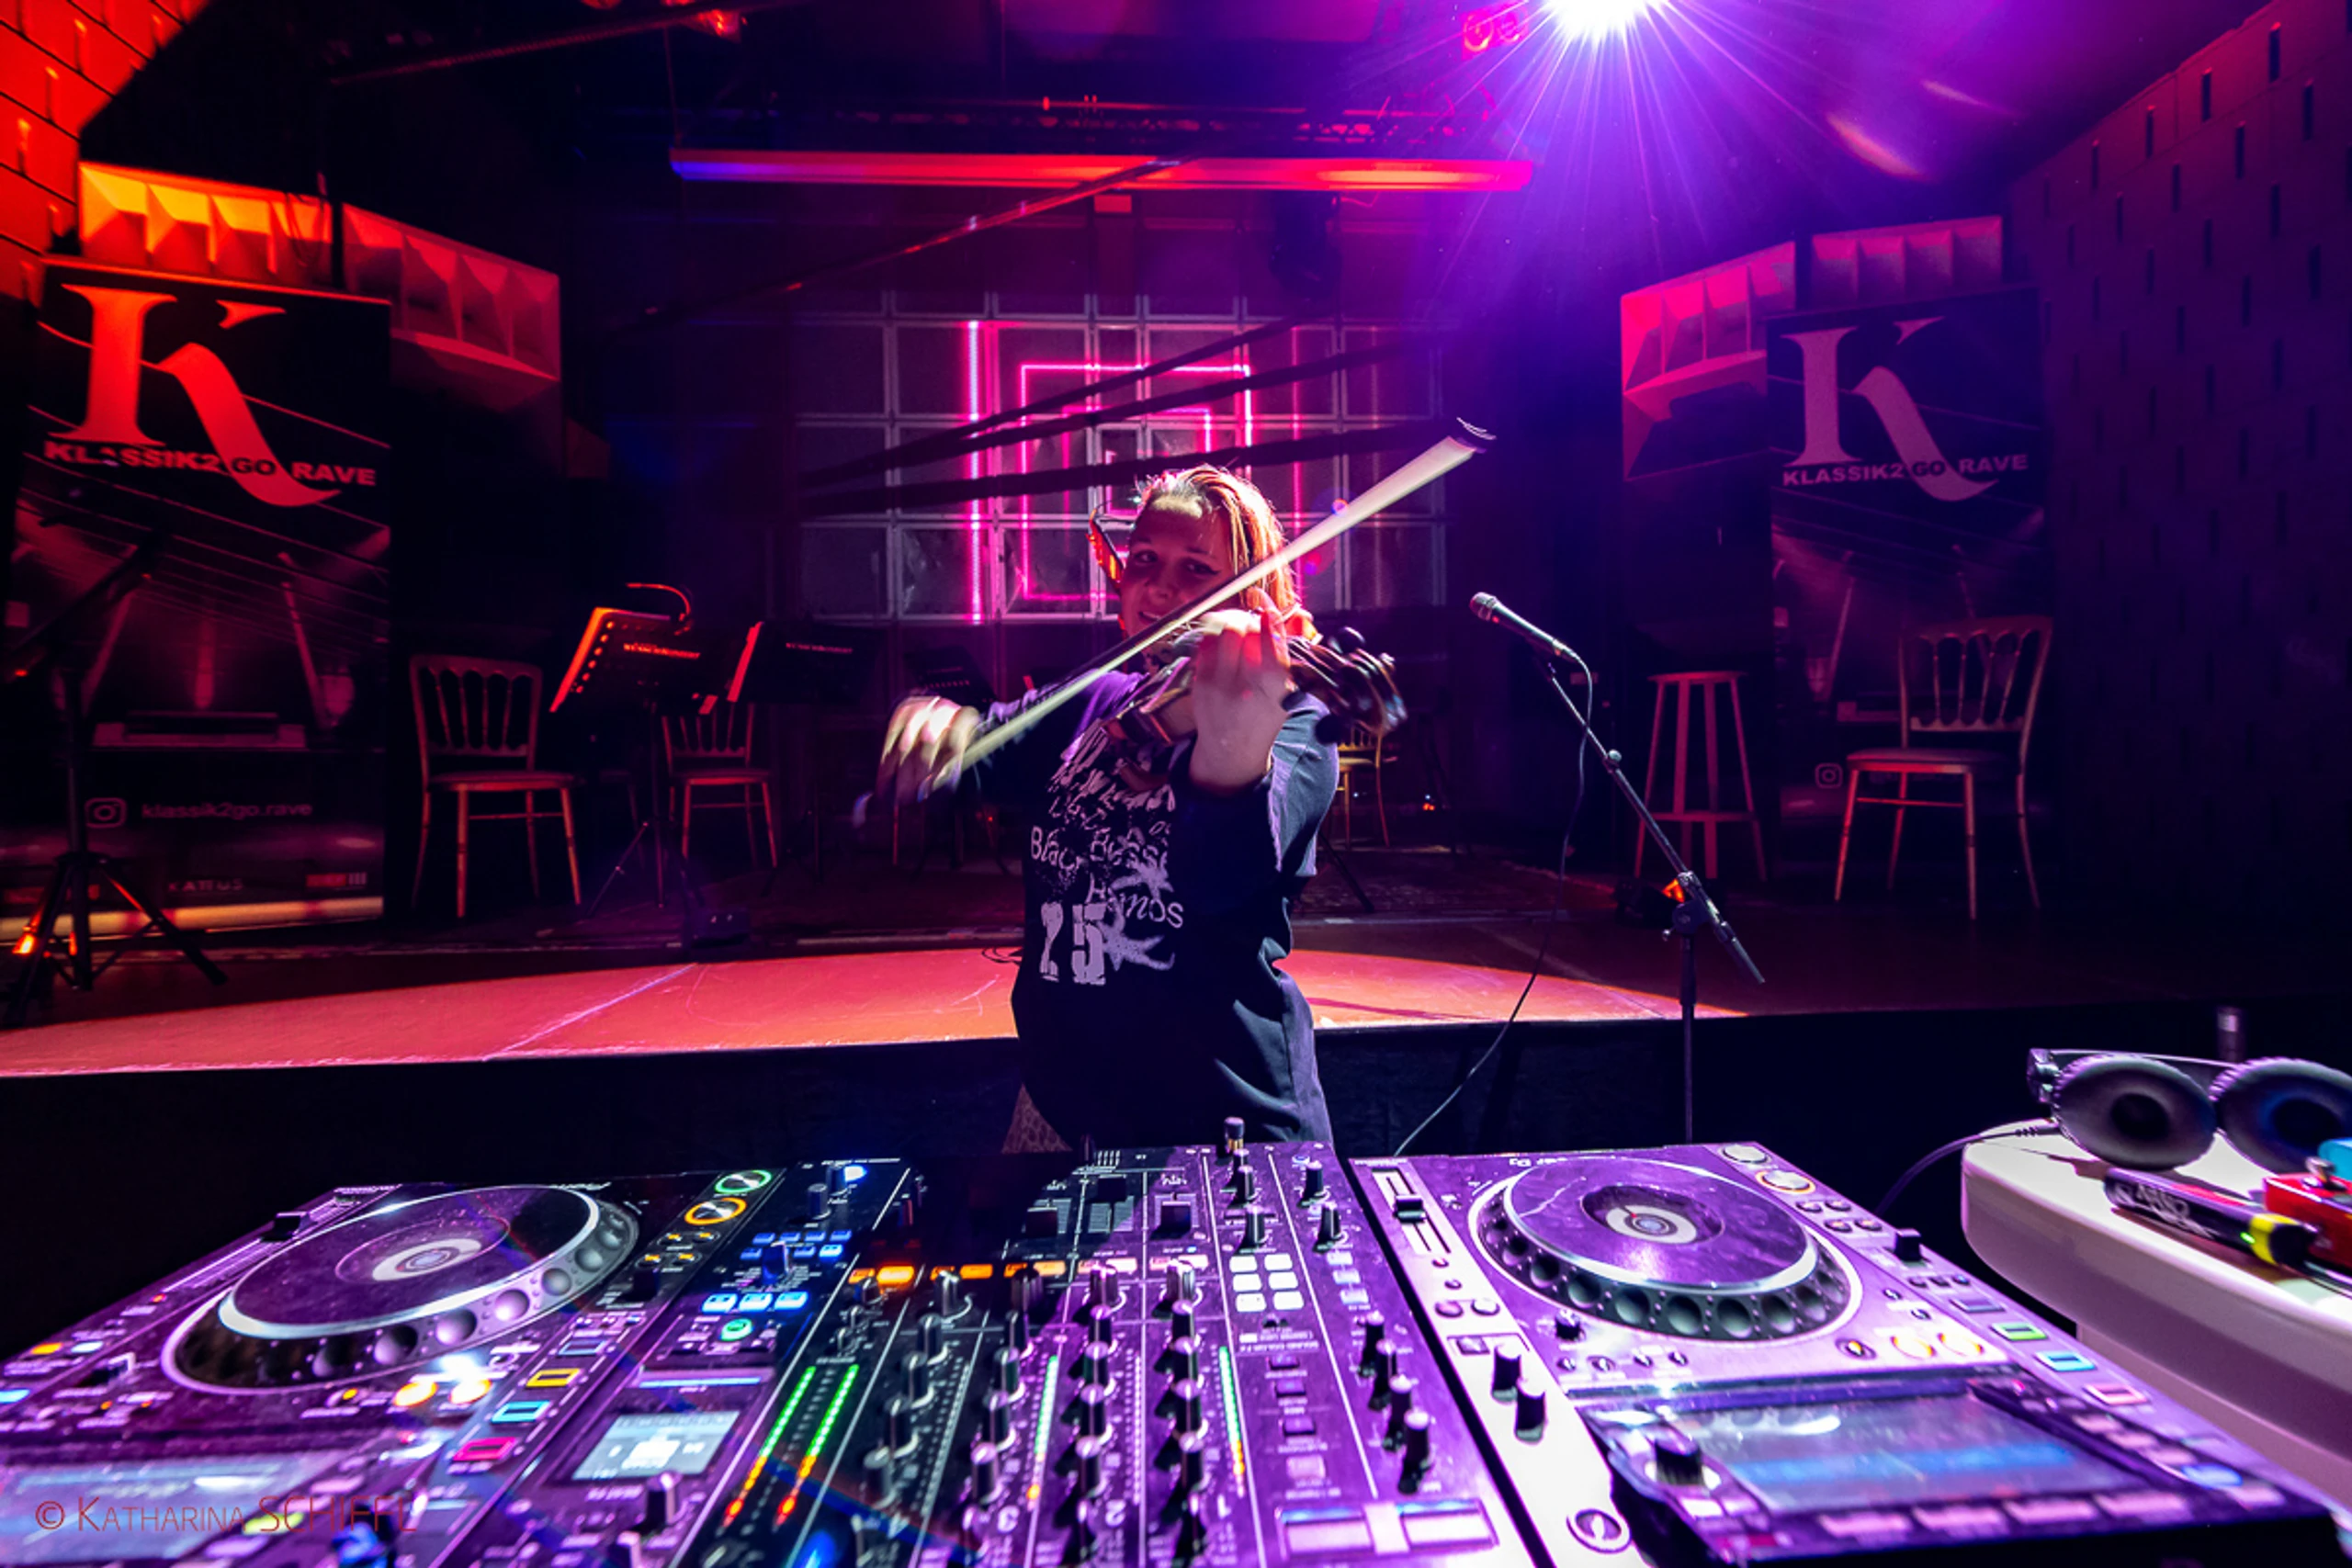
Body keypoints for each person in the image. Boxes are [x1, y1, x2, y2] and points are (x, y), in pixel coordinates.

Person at [875, 467, 1340, 1149]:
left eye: (1197, 569)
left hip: (1216, 1122)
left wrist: (1233, 748)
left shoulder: (1294, 727)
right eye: (1144, 559)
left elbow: (1222, 880)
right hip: (1061, 1108)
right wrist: (941, 723)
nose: (1160, 588)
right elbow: (982, 746)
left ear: (1251, 595)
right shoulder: (1099, 700)